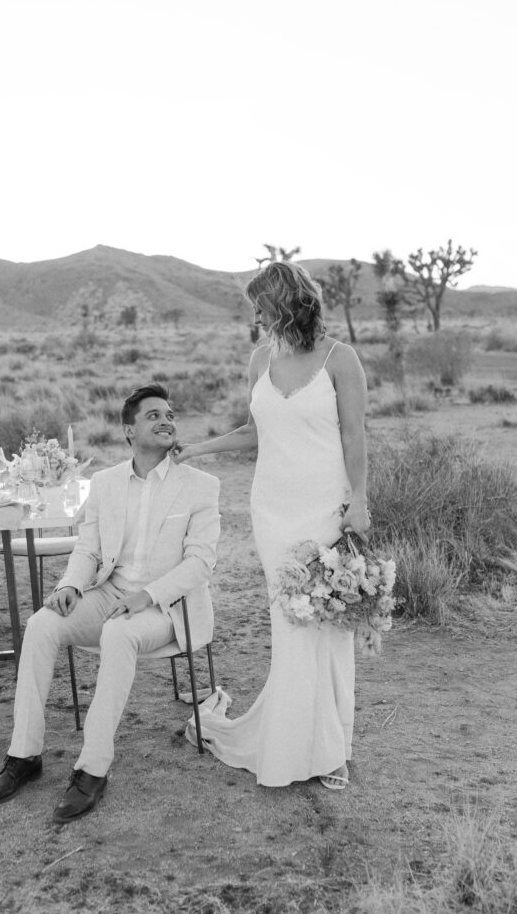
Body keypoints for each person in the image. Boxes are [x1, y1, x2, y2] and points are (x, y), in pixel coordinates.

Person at [0, 383, 220, 823]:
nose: (167, 421)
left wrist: (146, 595)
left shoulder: (201, 486)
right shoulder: (106, 483)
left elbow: (201, 564)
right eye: (153, 416)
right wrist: (71, 584)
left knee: (118, 632)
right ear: (129, 431)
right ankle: (24, 755)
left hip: (166, 606)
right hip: (109, 594)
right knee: (41, 624)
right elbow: (88, 549)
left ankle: (92, 769)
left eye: (170, 414)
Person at [174, 261, 369, 790]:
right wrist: (199, 448)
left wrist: (360, 500)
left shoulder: (340, 359)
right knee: (290, 622)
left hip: (325, 507)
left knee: (328, 624)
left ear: (285, 302)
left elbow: (354, 436)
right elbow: (254, 431)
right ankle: (295, 743)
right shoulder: (261, 358)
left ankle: (331, 747)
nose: (255, 316)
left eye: (260, 305)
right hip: (273, 510)